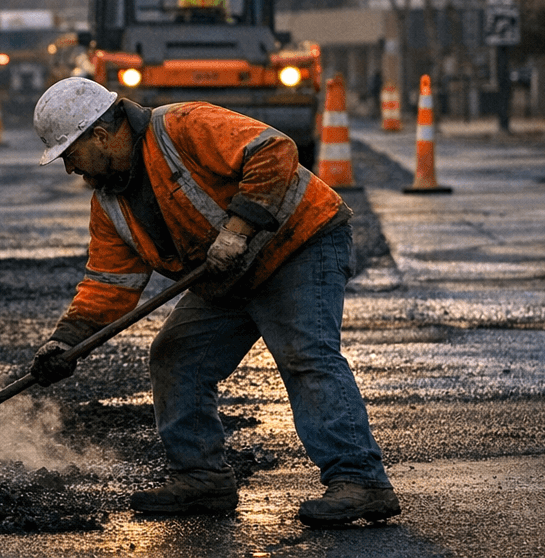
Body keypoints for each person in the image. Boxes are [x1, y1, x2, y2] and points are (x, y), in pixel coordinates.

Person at [29, 77, 398, 527]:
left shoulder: (183, 125)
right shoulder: (111, 204)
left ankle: (362, 482)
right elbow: (110, 283)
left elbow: (274, 151)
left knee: (305, 355)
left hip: (298, 244)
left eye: (70, 155)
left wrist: (239, 228)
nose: (71, 169)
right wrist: (65, 342)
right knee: (177, 355)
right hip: (229, 275)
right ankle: (201, 478)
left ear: (101, 137)